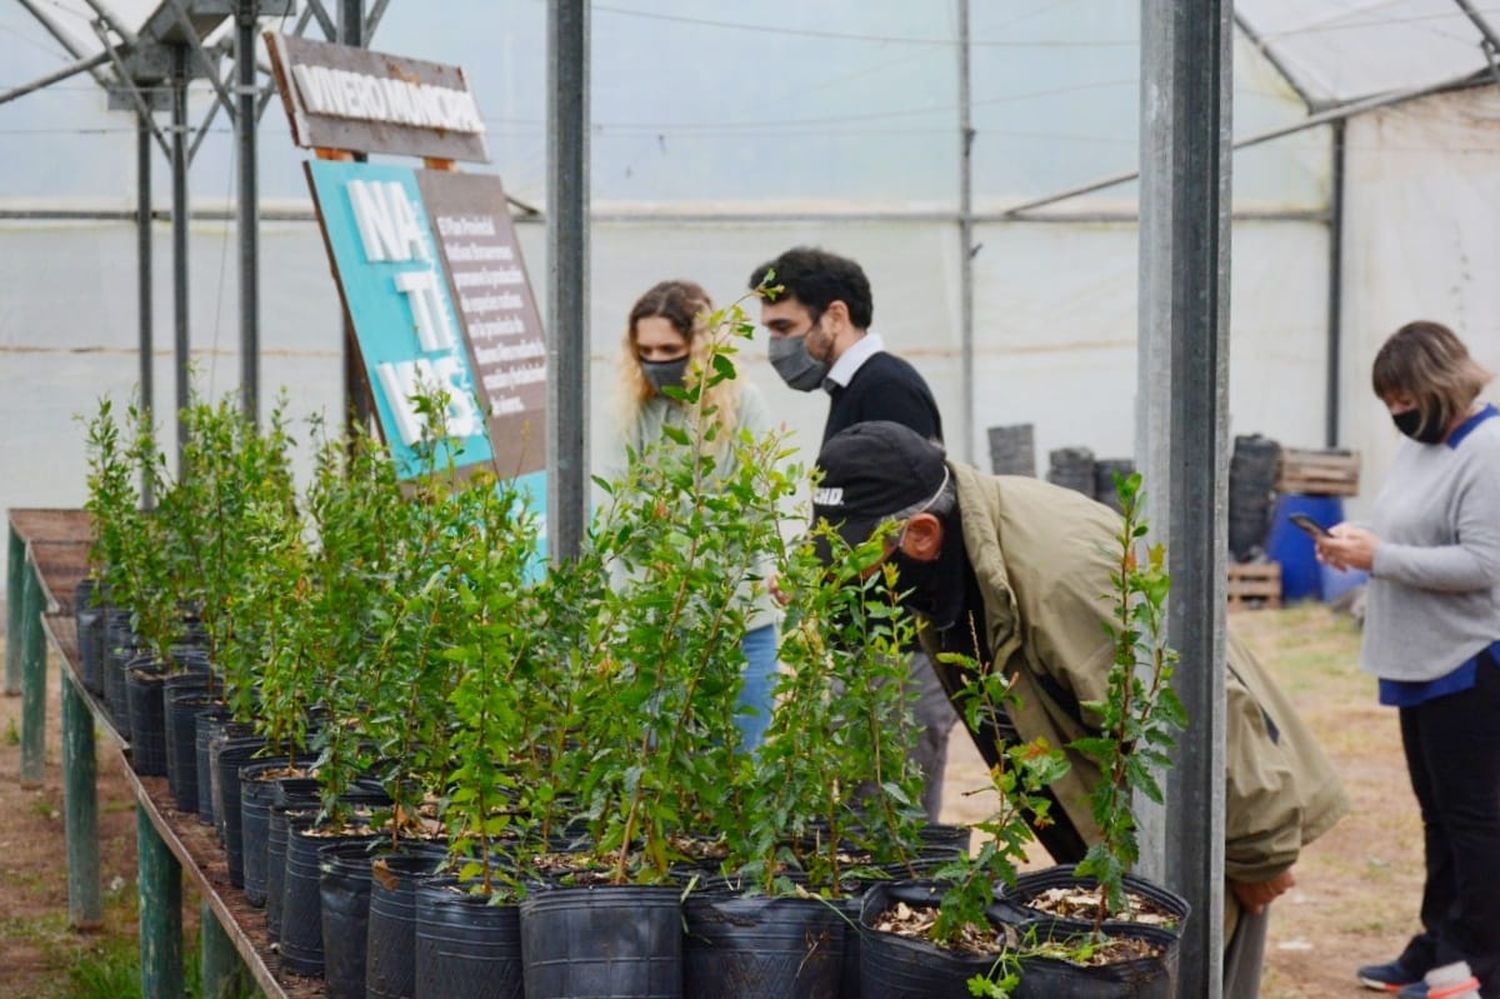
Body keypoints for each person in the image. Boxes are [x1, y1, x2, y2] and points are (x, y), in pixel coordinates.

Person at [809, 419, 1350, 998]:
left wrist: (1259, 852)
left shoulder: (1060, 581)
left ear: (919, 536)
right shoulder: (962, 548)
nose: (844, 578)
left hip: (1213, 836)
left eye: (851, 561)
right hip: (1127, 842)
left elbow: (1191, 717)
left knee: (1195, 980)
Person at [1315, 321, 1500, 999]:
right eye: (1387, 401)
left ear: (1440, 383)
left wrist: (1379, 558)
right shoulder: (1427, 448)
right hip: (1419, 657)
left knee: (1475, 819)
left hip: (1469, 659)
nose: (1396, 413)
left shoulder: (1488, 451)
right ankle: (1438, 942)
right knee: (1438, 814)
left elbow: (1484, 563)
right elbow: (1408, 531)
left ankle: (1478, 964)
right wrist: (1358, 541)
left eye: (1403, 398)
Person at [748, 245, 956, 821]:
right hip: (872, 649)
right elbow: (860, 511)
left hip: (897, 654)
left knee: (895, 823)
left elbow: (911, 524)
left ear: (834, 316)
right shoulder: (855, 389)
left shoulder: (887, 389)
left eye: (785, 327)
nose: (777, 347)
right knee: (869, 817)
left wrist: (820, 573)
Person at [606, 279, 782, 751]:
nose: (657, 361)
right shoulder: (633, 412)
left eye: (670, 348)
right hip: (655, 630)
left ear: (699, 346)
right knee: (657, 772)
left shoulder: (742, 404)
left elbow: (769, 499)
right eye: (646, 350)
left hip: (740, 623)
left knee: (742, 765)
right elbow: (614, 513)